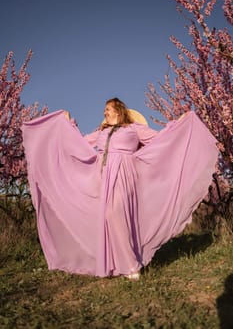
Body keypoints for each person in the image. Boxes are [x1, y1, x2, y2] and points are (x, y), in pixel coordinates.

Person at [22, 97, 218, 280]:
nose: (105, 113)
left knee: (116, 213)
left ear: (118, 110)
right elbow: (78, 143)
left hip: (125, 173)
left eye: (108, 109)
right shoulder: (101, 132)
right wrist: (66, 124)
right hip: (102, 175)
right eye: (104, 110)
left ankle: (132, 265)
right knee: (106, 217)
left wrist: (178, 125)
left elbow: (161, 139)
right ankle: (114, 264)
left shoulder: (134, 129)